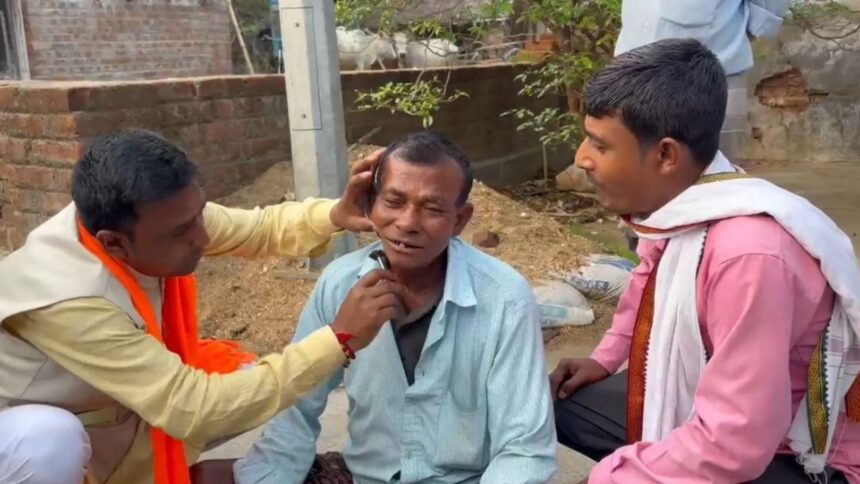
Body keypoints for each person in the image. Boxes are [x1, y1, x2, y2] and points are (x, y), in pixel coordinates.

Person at [0, 130, 404, 484]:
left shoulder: (151, 215)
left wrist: (335, 214)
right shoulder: (71, 298)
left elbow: (258, 229)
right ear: (114, 243)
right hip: (27, 432)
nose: (203, 237)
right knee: (47, 440)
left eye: (199, 214)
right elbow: (195, 409)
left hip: (108, 413)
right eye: (183, 230)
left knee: (246, 380)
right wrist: (338, 339)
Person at [550, 39, 860, 483]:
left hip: (797, 451)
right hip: (739, 420)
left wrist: (607, 479)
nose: (582, 158)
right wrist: (604, 359)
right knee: (554, 403)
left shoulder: (748, 256)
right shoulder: (690, 203)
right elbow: (646, 285)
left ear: (666, 155)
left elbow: (734, 444)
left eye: (600, 145)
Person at [234, 131, 557, 483]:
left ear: (460, 220)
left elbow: (525, 448)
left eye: (432, 208)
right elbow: (294, 411)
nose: (407, 223)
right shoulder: (340, 283)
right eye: (393, 201)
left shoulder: (504, 297)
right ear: (370, 204)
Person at [615, 0, 791, 250]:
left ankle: (706, 265)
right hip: (633, 64)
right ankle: (646, 261)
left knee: (709, 190)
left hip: (713, 65)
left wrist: (748, 29)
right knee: (639, 183)